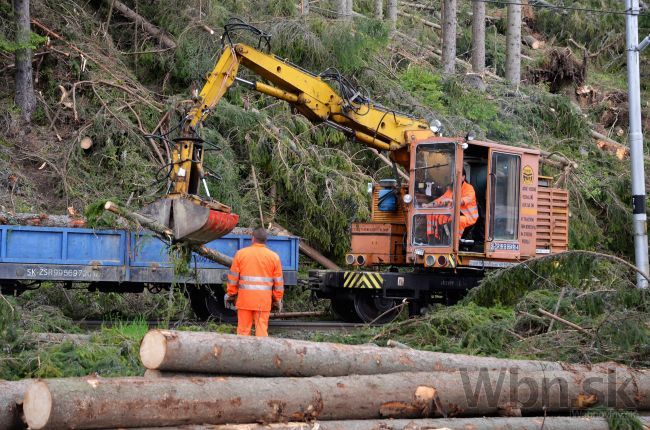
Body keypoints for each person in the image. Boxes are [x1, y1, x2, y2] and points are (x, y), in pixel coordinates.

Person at [225, 227, 284, 337]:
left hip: (245, 300)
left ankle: (243, 353)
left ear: (253, 239)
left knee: (243, 332)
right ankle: (261, 354)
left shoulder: (241, 254)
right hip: (263, 301)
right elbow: (279, 283)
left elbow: (233, 279)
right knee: (261, 331)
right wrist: (277, 298)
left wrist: (230, 294)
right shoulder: (274, 257)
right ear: (266, 240)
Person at [424, 169, 478, 241]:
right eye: (454, 176)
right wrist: (428, 205)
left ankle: (455, 241)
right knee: (431, 214)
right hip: (453, 214)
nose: (454, 178)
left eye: (457, 176)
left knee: (459, 220)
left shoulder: (469, 188)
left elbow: (465, 200)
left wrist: (451, 201)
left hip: (468, 216)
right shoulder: (451, 189)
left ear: (463, 177)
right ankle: (433, 237)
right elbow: (441, 200)